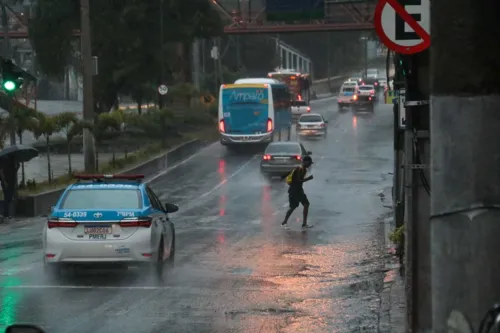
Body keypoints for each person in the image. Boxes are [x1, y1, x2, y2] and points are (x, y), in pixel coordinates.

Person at [280, 155, 314, 229]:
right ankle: (284, 222)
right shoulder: (300, 169)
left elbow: (289, 173)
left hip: (299, 190)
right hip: (294, 191)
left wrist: (282, 176)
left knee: (306, 204)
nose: (310, 165)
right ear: (306, 162)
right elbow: (298, 181)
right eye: (309, 163)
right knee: (293, 207)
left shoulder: (301, 168)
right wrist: (309, 178)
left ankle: (304, 224)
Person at [0, 156, 20, 220]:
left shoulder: (12, 159)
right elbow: (1, 171)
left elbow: (15, 169)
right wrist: (4, 181)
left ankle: (6, 214)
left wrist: (17, 166)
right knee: (7, 198)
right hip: (6, 182)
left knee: (9, 198)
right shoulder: (3, 159)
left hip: (11, 181)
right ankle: (5, 214)